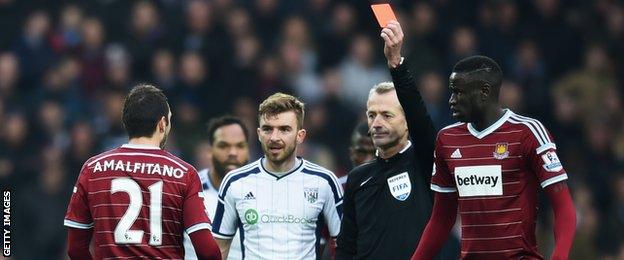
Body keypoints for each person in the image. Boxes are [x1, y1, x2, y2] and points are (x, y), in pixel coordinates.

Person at [411, 55, 576, 259]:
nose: (451, 100)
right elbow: (441, 218)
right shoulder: (447, 139)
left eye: (458, 92)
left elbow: (563, 207)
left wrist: (559, 257)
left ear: (485, 91)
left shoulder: (528, 132)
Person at [64, 84, 221, 259]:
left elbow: (75, 248)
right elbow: (207, 250)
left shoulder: (92, 169)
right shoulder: (184, 174)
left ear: (126, 123)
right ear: (162, 124)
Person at [336, 20, 441, 259]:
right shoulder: (358, 178)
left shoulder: (425, 163)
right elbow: (346, 248)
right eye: (372, 115)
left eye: (387, 115)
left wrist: (396, 65)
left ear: (407, 122)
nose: (377, 123)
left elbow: (421, 121)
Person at [211, 93, 343, 259]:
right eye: (267, 129)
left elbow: (344, 246)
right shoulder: (235, 182)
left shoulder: (325, 182)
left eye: (284, 129)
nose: (274, 137)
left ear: (300, 135)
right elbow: (219, 250)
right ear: (259, 134)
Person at [184, 116, 250, 260]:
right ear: (209, 150)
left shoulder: (263, 191)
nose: (233, 153)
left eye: (240, 146)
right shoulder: (189, 188)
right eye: (223, 146)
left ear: (248, 150)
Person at [338, 121, 375, 187]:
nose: (368, 160)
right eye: (362, 153)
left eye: (375, 153)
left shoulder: (396, 190)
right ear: (351, 153)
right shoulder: (337, 189)